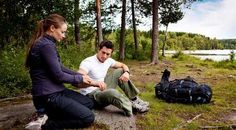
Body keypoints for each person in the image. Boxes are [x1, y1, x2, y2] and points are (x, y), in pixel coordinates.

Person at [24, 14, 94, 130]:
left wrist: (79, 74)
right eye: (62, 32)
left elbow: (60, 67)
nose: (64, 35)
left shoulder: (47, 43)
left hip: (57, 90)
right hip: (48, 95)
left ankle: (48, 114)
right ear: (52, 28)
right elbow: (59, 75)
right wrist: (80, 79)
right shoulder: (45, 45)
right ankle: (43, 126)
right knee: (88, 117)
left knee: (88, 103)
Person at [77, 40, 149, 117]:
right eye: (103, 52)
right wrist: (93, 83)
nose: (104, 56)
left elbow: (123, 65)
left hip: (102, 88)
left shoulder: (108, 60)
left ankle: (134, 99)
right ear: (98, 50)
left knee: (121, 71)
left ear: (110, 54)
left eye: (107, 54)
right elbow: (78, 79)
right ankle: (131, 107)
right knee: (112, 92)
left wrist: (127, 73)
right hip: (91, 95)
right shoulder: (88, 62)